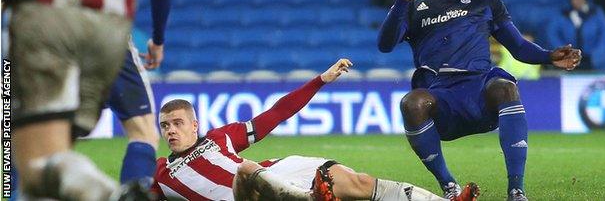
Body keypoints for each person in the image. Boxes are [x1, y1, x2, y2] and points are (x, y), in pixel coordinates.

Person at [377, 0, 581, 201]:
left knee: (505, 86)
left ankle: (516, 190)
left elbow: (517, 46)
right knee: (412, 102)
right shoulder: (414, 8)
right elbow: (385, 45)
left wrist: (548, 56)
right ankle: (449, 186)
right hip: (442, 97)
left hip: (479, 89)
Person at [151, 59, 480, 201]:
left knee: (358, 182)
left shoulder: (219, 137)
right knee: (247, 170)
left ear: (195, 124)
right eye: (165, 126)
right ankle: (314, 197)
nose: (171, 131)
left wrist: (320, 81)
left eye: (178, 123)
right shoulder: (162, 174)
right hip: (247, 194)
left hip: (276, 175)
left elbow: (277, 112)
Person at [5, 0, 177, 199]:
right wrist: (159, 38)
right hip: (109, 21)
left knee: (39, 162)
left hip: (46, 16)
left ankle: (105, 194)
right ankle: (131, 191)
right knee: (143, 132)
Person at [111, 0, 175, 185]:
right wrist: (158, 39)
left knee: (37, 135)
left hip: (40, 29)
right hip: (103, 27)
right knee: (143, 132)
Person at [547, 0, 605, 70]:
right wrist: (563, 51)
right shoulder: (562, 13)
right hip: (568, 56)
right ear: (570, 0)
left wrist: (596, 53)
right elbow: (552, 33)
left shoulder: (596, 12)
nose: (578, 1)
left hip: (590, 57)